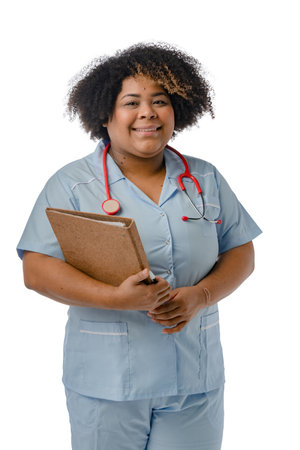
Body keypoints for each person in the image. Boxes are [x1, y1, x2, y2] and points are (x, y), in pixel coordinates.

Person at [17, 43, 262, 450]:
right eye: (131, 102)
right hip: (107, 383)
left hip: (194, 379)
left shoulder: (204, 178)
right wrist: (117, 298)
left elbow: (241, 251)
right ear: (105, 113)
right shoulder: (72, 184)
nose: (147, 113)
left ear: (177, 110)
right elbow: (37, 270)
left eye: (160, 101)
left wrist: (201, 296)